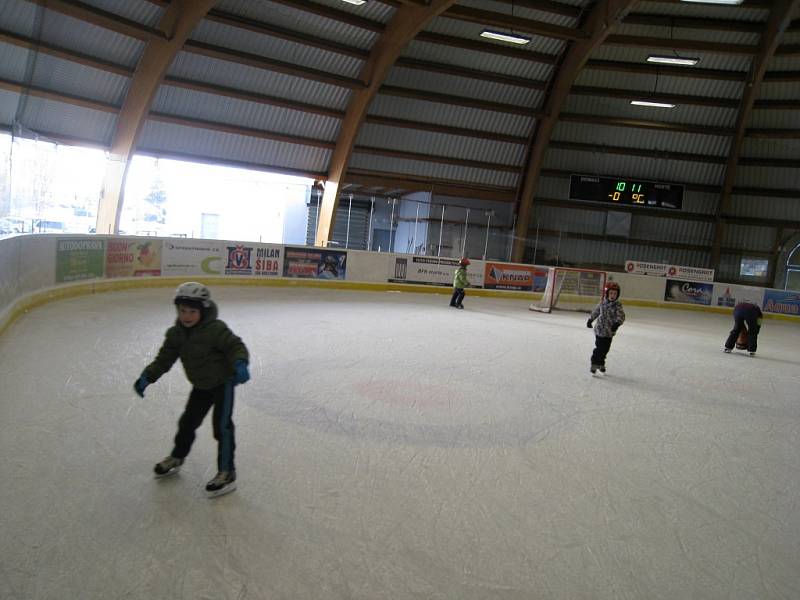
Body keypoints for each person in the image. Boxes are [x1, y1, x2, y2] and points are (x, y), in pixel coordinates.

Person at [133, 282, 250, 498]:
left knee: (222, 428)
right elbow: (164, 359)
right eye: (182, 310)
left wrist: (240, 363)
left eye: (192, 311)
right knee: (187, 423)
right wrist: (147, 376)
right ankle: (177, 456)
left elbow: (235, 346)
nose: (186, 316)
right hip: (201, 386)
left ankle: (227, 473)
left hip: (223, 383)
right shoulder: (176, 334)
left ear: (203, 310)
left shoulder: (216, 329)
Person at [587, 281, 626, 374]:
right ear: (607, 293)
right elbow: (596, 311)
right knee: (599, 348)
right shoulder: (602, 302)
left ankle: (601, 363)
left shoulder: (618, 305)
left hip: (609, 332)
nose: (613, 295)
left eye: (615, 294)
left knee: (605, 350)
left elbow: (621, 316)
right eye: (611, 293)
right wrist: (590, 319)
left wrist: (616, 324)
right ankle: (594, 363)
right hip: (599, 330)